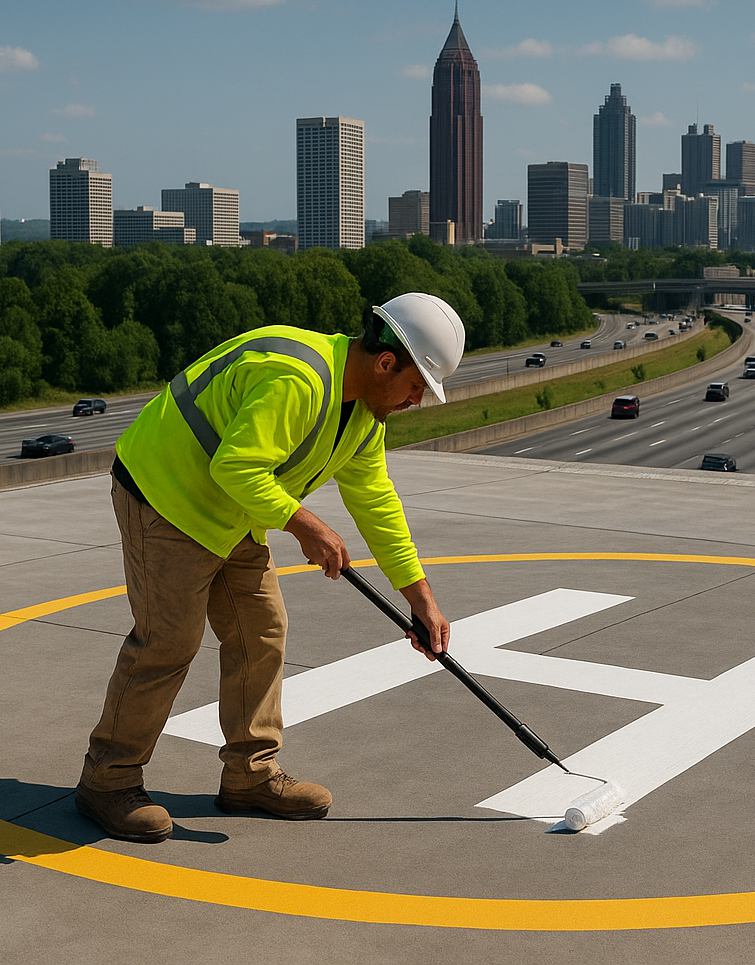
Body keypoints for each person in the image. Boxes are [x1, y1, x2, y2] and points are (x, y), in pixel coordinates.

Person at [74, 293, 464, 843]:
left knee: (262, 632)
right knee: (168, 642)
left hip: (233, 509)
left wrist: (419, 597)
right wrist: (303, 523)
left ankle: (249, 775)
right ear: (385, 362)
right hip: (166, 496)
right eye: (417, 385)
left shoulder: (362, 416)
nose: (416, 400)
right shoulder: (299, 378)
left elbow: (376, 498)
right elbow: (236, 464)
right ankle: (107, 781)